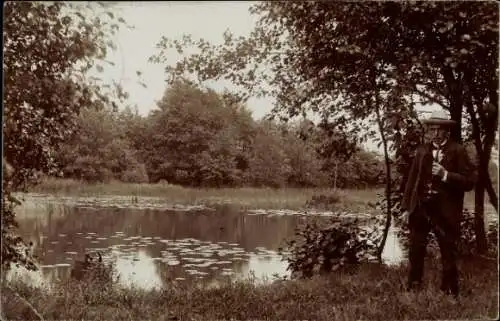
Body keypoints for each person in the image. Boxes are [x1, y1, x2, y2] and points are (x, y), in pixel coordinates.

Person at [400, 110, 476, 298]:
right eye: (432, 129)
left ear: (447, 131)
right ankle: (414, 286)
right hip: (421, 208)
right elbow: (412, 180)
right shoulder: (422, 150)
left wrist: (445, 175)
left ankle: (449, 291)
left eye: (439, 129)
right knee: (416, 248)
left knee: (447, 250)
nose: (435, 133)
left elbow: (469, 182)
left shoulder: (458, 150)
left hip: (445, 211)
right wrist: (406, 208)